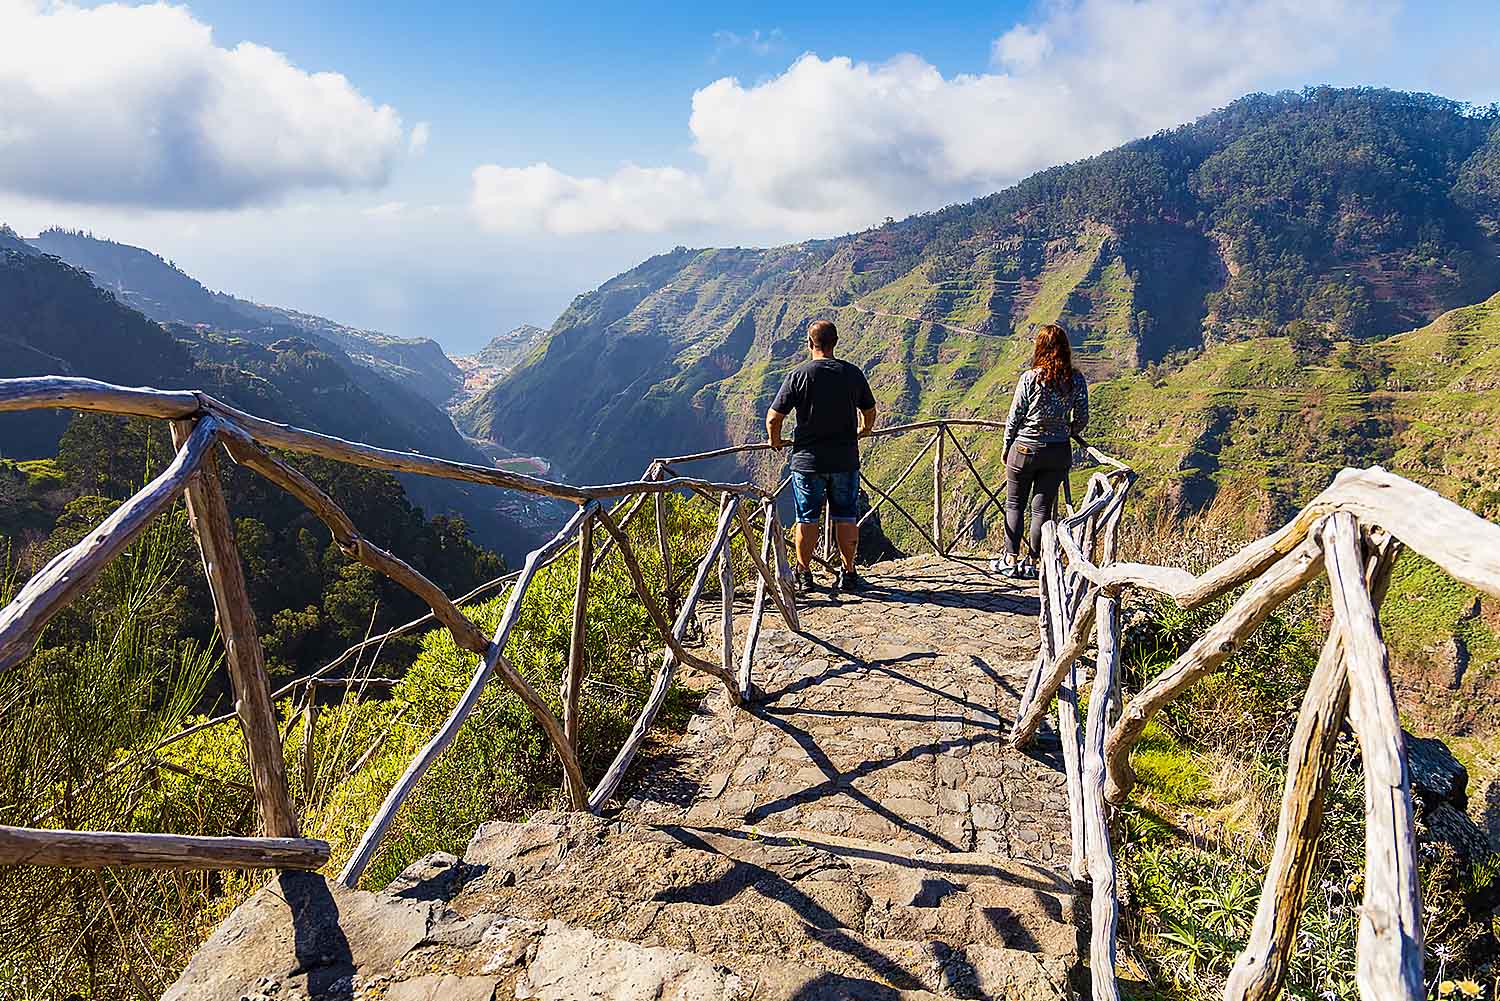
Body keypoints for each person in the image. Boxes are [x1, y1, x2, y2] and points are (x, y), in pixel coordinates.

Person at [767, 319, 877, 593]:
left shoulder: (799, 375)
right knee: (846, 516)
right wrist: (864, 430)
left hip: (808, 462)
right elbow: (870, 410)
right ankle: (848, 573)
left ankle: (804, 573)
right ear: (835, 342)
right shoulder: (852, 374)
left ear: (810, 343)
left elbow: (773, 418)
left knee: (807, 517)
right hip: (845, 460)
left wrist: (775, 441)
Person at [997, 323, 1089, 578]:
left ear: (1040, 348)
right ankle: (1033, 563)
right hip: (1057, 451)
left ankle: (1009, 559)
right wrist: (1065, 430)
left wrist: (1007, 447)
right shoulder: (1076, 380)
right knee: (1042, 510)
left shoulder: (1030, 379)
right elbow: (1082, 418)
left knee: (1015, 504)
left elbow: (1014, 418)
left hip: (1025, 448)